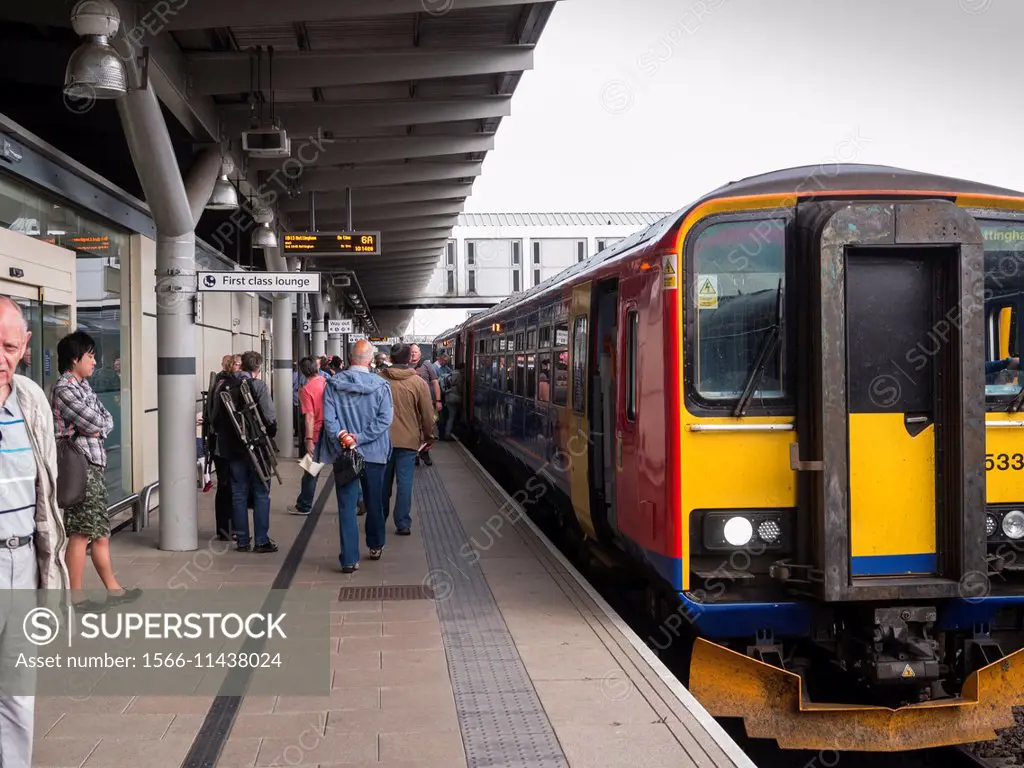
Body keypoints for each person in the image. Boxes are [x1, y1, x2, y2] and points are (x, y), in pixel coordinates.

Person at [0, 296, 70, 768]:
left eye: (8, 346)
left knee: (18, 690)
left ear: (25, 346)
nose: (0, 358)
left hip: (22, 562)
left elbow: (47, 486)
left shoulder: (29, 398)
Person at [51, 330, 141, 605]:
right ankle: (75, 599)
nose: (94, 361)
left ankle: (114, 590)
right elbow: (93, 423)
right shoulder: (65, 388)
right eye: (90, 355)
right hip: (81, 466)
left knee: (99, 530)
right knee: (80, 532)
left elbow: (106, 420)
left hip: (94, 463)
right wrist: (95, 428)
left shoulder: (84, 386)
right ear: (74, 357)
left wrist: (96, 428)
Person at [321, 340, 393, 572]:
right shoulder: (381, 386)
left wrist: (344, 437)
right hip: (374, 454)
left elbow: (329, 419)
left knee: (346, 506)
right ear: (370, 360)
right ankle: (375, 544)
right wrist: (360, 437)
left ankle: (350, 559)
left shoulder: (333, 384)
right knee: (375, 502)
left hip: (344, 454)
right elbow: (385, 420)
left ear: (350, 358)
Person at [211, 351, 278, 553]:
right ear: (257, 367)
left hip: (232, 449)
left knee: (238, 493)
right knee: (261, 492)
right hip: (257, 447)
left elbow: (214, 418)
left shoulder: (222, 386)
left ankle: (241, 540)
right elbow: (270, 418)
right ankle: (261, 540)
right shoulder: (258, 386)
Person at [379, 344, 434, 536]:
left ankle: (379, 518)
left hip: (382, 441)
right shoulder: (418, 383)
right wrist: (429, 436)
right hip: (409, 441)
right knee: (405, 483)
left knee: (383, 484)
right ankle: (402, 523)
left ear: (391, 360)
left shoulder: (378, 380)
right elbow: (427, 414)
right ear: (408, 359)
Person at [204, 354, 239, 540]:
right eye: (238, 364)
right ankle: (229, 529)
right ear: (233, 366)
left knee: (224, 486)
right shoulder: (230, 385)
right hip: (225, 444)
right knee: (229, 486)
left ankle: (223, 528)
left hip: (216, 442)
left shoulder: (217, 382)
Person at [288, 356, 327, 516]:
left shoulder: (306, 390)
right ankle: (359, 500)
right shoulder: (326, 382)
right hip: (333, 431)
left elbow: (310, 416)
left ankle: (304, 505)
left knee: (310, 472)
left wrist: (309, 439)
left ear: (302, 372)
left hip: (317, 434)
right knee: (343, 468)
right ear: (317, 368)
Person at [409, 344, 440, 466]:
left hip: (426, 402)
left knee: (428, 427)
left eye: (415, 352)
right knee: (414, 429)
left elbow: (435, 382)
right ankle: (416, 454)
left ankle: (424, 452)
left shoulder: (427, 365)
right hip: (410, 403)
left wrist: (438, 401)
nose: (413, 354)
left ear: (420, 353)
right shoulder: (404, 365)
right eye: (411, 352)